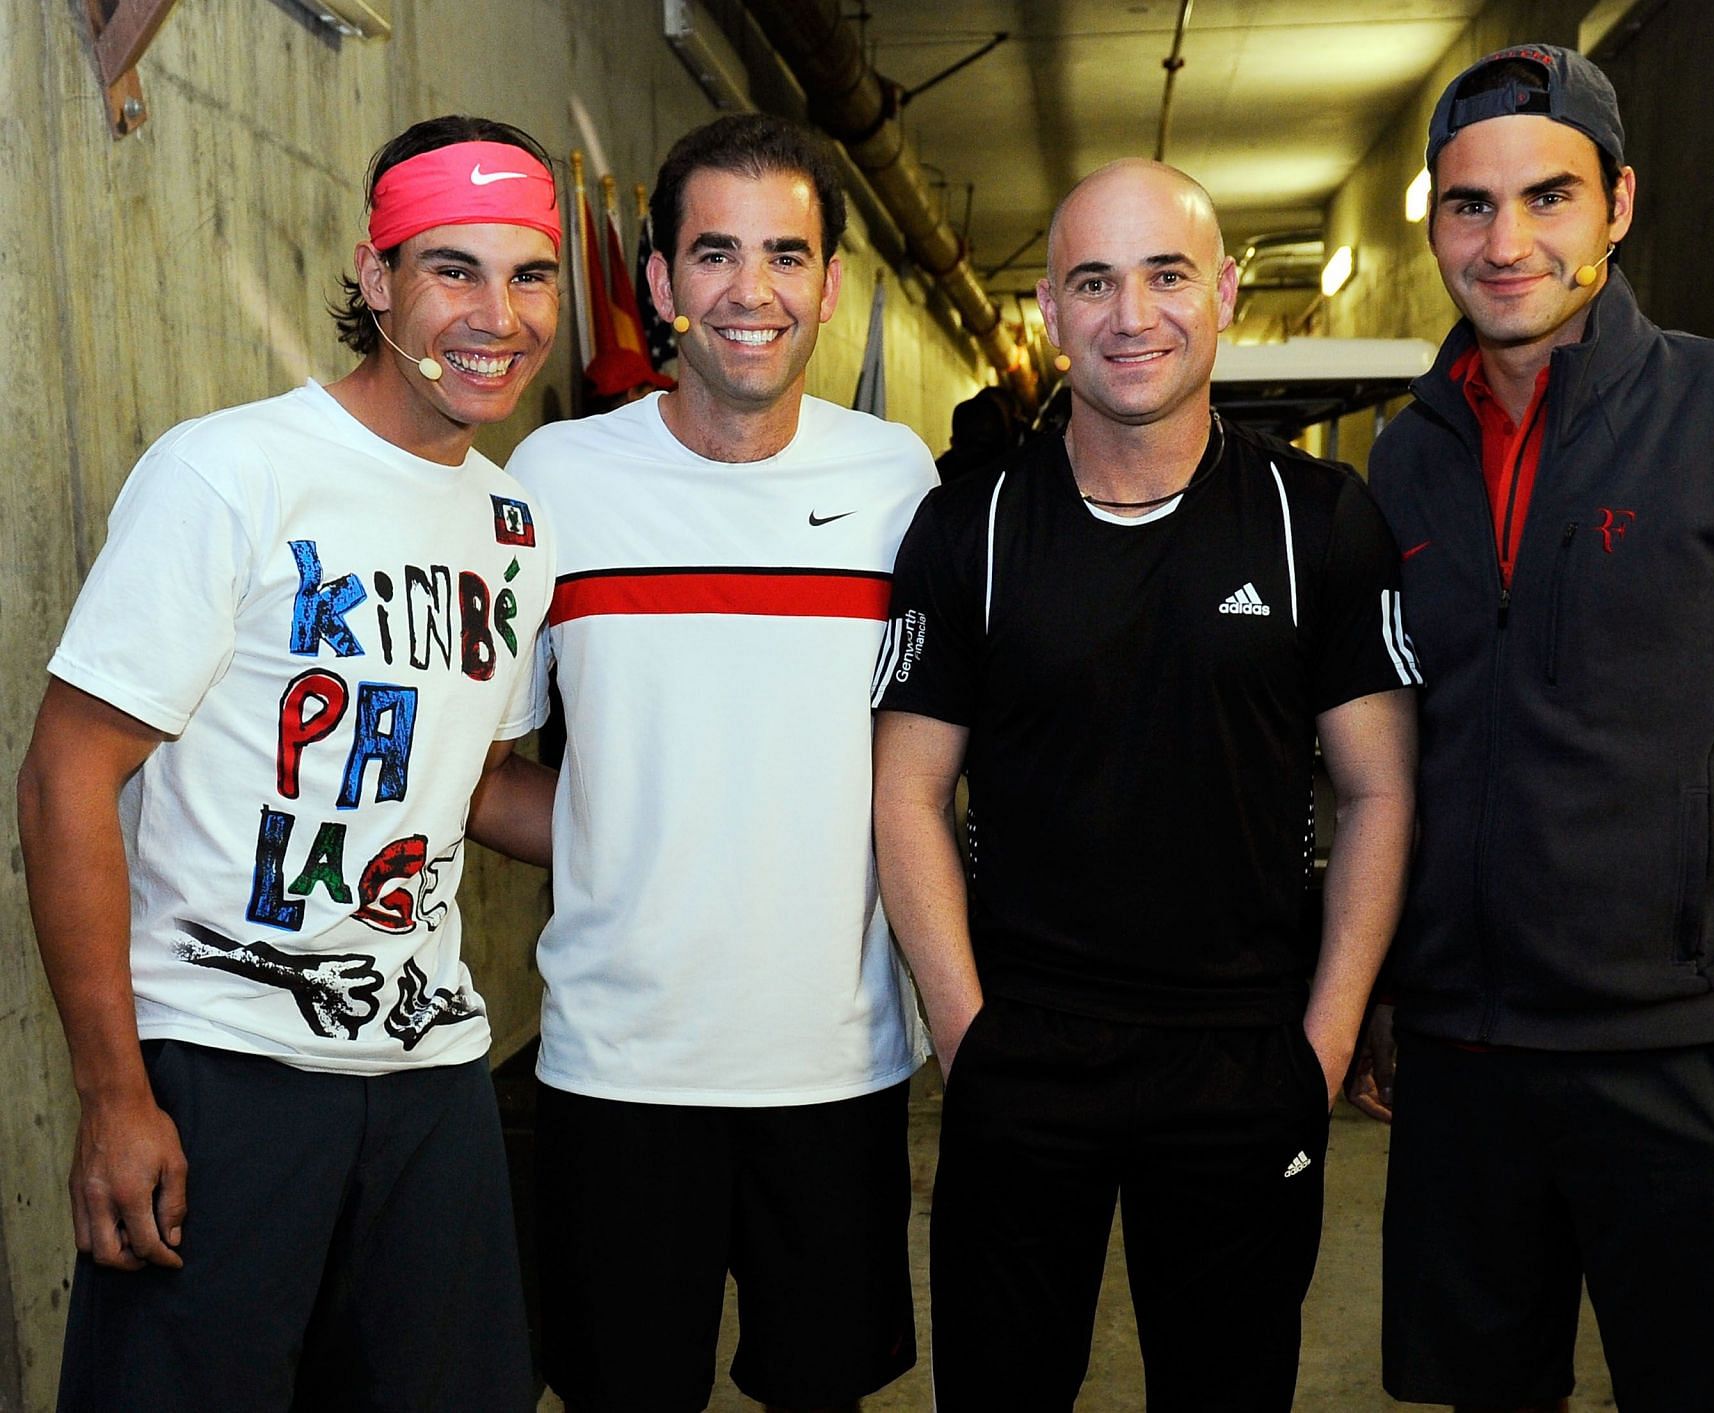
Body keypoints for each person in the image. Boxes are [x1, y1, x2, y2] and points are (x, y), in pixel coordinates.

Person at [1362, 43, 1714, 1413]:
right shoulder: (1403, 457)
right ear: (1432, 220)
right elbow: (1389, 755)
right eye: (1469, 205)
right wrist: (1383, 990)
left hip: (1690, 1071)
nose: (1507, 240)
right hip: (1464, 1080)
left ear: (1619, 203)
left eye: (1548, 197)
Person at [16, 114, 563, 1410]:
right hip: (223, 1060)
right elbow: (64, 778)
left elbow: (466, 781)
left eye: (530, 272)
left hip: (429, 1070)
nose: (499, 314)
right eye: (454, 268)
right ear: (376, 281)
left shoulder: (512, 525)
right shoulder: (232, 472)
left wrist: (698, 811)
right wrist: (115, 1092)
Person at [871, 158, 1419, 1410]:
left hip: (1244, 1063)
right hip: (1024, 1057)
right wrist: (970, 1039)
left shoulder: (1320, 521)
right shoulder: (974, 530)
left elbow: (1382, 792)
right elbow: (907, 793)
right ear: (1050, 315)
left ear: (1224, 292)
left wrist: (1320, 1048)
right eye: (1093, 282)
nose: (1133, 316)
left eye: (1167, 275)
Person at [487, 113, 934, 1413]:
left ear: (831, 286)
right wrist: (629, 834)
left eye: (787, 254)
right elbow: (475, 771)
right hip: (617, 1072)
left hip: (836, 1070)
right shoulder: (558, 478)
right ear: (663, 282)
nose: (754, 291)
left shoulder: (897, 481)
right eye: (717, 253)